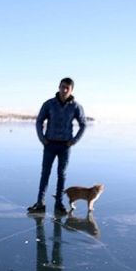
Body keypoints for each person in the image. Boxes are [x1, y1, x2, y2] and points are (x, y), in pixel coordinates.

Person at [27, 77, 87, 216]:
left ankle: (59, 203)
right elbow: (39, 121)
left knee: (61, 175)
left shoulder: (76, 106)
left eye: (67, 88)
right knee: (45, 173)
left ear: (71, 90)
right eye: (62, 87)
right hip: (50, 144)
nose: (64, 90)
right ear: (58, 87)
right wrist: (42, 139)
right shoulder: (49, 104)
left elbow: (83, 124)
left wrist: (73, 141)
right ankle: (40, 203)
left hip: (65, 146)